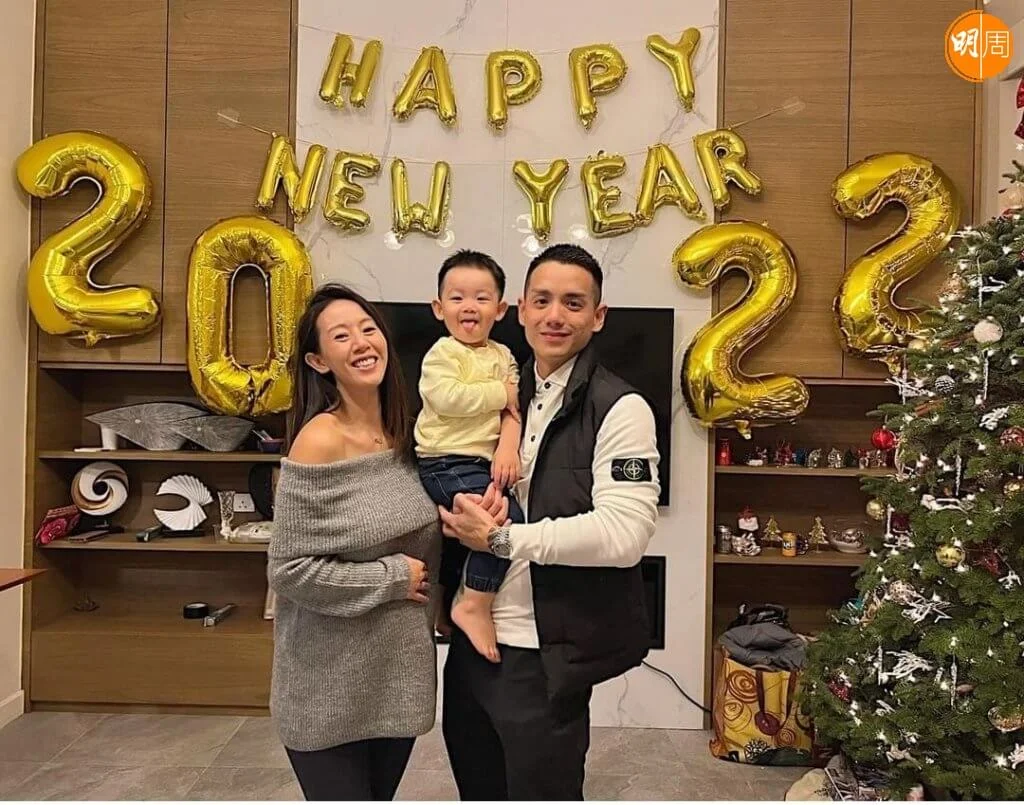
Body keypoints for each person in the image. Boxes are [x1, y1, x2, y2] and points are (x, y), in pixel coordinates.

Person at [437, 243, 661, 800]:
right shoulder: (499, 388)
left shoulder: (621, 408)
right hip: (470, 641)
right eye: (541, 300)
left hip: (543, 656)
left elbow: (624, 535)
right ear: (520, 309)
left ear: (598, 316)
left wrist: (501, 538)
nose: (554, 315)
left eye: (573, 303)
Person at [267, 284, 503, 801]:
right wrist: (394, 577)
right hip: (326, 686)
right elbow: (287, 570)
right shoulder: (319, 440)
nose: (361, 342)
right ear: (318, 361)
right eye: (341, 336)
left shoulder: (411, 436)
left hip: (396, 680)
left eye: (368, 328)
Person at [414, 249, 525, 663]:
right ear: (438, 307)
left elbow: (515, 408)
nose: (469, 306)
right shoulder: (442, 355)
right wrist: (502, 393)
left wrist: (508, 446)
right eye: (457, 297)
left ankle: (446, 603)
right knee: (506, 520)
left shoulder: (503, 355)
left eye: (481, 297)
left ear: (500, 309)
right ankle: (475, 603)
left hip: (481, 462)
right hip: (445, 461)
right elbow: (448, 398)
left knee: (466, 540)